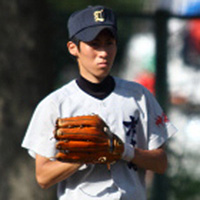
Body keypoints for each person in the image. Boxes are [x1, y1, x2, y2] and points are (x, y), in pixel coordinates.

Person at [21, 5, 177, 200]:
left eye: (109, 42)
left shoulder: (139, 95)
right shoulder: (55, 104)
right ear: (73, 48)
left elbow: (161, 163)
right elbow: (43, 176)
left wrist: (123, 151)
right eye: (95, 44)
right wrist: (86, 155)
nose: (103, 52)